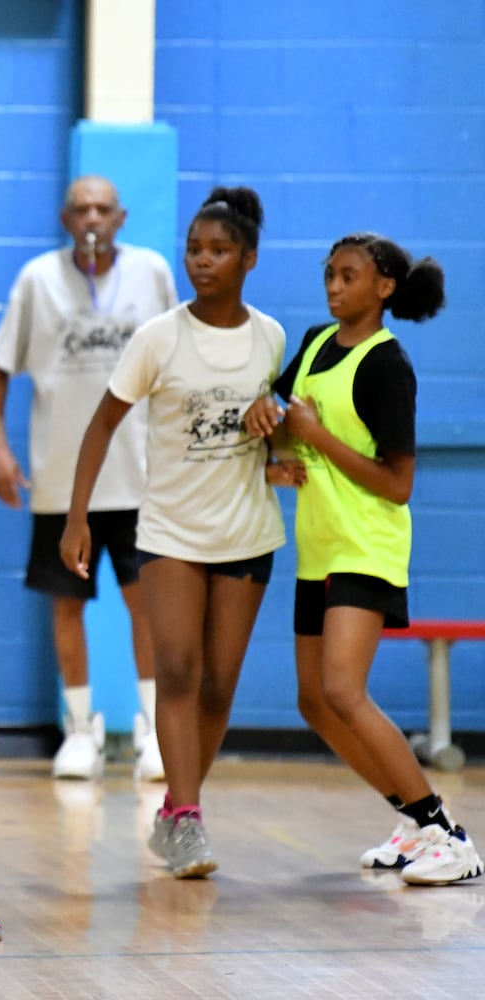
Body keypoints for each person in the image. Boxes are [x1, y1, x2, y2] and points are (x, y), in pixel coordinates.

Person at [60, 187, 291, 879]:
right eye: (194, 248)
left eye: (219, 250)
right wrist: (77, 517)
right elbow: (102, 424)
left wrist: (281, 449)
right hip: (167, 533)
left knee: (220, 685)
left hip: (248, 532)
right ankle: (187, 818)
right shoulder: (157, 337)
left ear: (249, 257)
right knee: (180, 671)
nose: (203, 261)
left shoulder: (271, 337)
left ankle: (176, 810)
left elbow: (277, 431)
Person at [243, 233, 481, 885]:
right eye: (329, 273)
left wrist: (316, 435)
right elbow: (287, 420)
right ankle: (412, 820)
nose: (334, 284)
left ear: (383, 287)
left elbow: (397, 482)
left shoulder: (387, 364)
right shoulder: (317, 343)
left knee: (344, 690)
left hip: (367, 545)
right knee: (313, 702)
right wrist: (270, 427)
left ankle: (448, 834)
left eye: (348, 275)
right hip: (318, 547)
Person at [0, 176, 178, 782]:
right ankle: (80, 731)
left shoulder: (152, 273)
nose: (92, 216)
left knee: (145, 603)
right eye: (81, 208)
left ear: (120, 217)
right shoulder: (38, 279)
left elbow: (177, 361)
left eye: (103, 207)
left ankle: (151, 731)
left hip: (141, 477)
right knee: (66, 606)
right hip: (62, 480)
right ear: (67, 219)